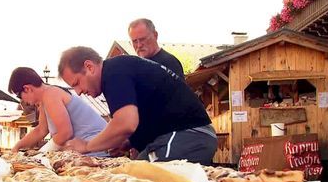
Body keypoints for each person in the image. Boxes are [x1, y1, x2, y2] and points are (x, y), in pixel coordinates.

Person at [59, 46, 217, 165]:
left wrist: (87, 145)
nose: (78, 92)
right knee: (127, 178)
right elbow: (150, 113)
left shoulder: (114, 72)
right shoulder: (118, 70)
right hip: (183, 136)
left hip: (189, 135)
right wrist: (129, 142)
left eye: (77, 83)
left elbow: (125, 123)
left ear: (89, 67)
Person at [7, 67, 107, 156]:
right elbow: (41, 130)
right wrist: (17, 147)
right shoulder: (46, 97)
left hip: (98, 151)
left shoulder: (50, 95)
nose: (22, 101)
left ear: (27, 88)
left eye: (19, 96)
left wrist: (42, 155)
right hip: (94, 149)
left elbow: (65, 133)